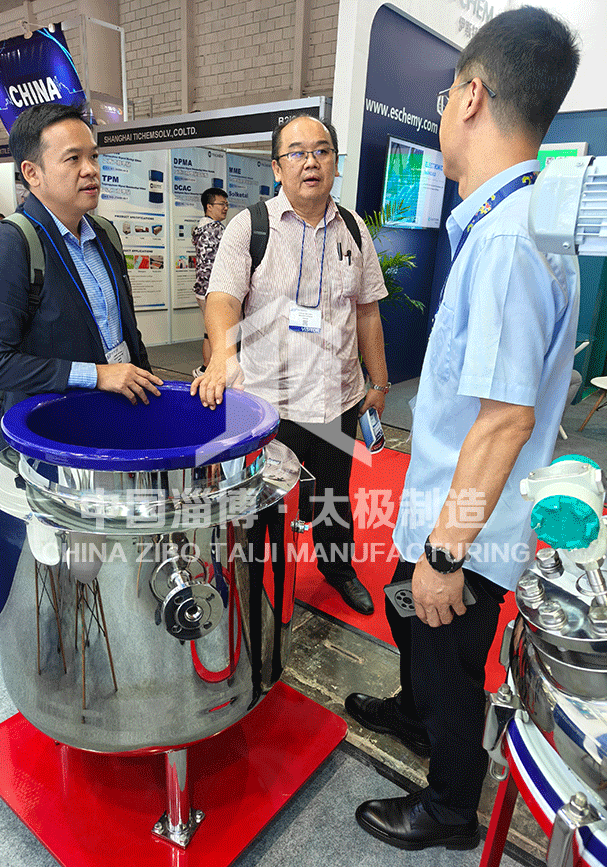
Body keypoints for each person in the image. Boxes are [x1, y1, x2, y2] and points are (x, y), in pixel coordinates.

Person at [346, 6, 580, 851]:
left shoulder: (509, 242)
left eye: (447, 95)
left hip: (468, 527)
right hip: (446, 501)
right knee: (410, 620)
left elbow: (506, 418)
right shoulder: (511, 221)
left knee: (448, 653)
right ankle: (415, 714)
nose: (444, 110)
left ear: (471, 97)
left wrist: (446, 555)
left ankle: (449, 804)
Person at [190, 114, 389, 616]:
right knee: (264, 505)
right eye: (297, 152)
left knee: (334, 498)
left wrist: (380, 381)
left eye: (321, 151)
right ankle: (258, 582)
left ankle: (338, 570)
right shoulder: (250, 226)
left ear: (335, 163)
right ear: (278, 167)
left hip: (337, 397)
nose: (310, 162)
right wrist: (223, 357)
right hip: (270, 404)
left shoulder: (354, 230)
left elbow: (367, 311)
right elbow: (222, 298)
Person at [0, 102, 162, 420]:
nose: (90, 169)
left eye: (93, 156)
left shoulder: (105, 234)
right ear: (32, 173)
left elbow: (128, 333)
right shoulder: (10, 244)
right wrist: (96, 375)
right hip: (53, 428)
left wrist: (150, 398)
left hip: (117, 419)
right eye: (73, 158)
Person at [191, 187, 229, 378]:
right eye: (221, 204)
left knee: (209, 330)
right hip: (214, 289)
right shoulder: (216, 229)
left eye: (226, 204)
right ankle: (210, 370)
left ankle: (206, 368)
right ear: (209, 206)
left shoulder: (200, 228)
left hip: (202, 288)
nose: (225, 208)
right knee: (218, 332)